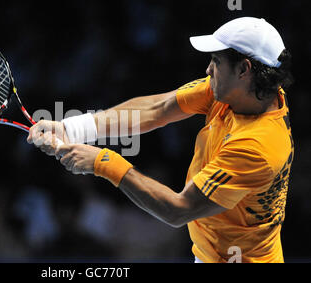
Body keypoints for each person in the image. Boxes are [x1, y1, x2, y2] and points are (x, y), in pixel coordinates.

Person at [27, 17, 294, 263]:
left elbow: (178, 210)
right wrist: (70, 128)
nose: (208, 68)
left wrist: (102, 162)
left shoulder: (256, 146)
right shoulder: (245, 92)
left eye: (216, 61)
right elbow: (158, 108)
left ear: (244, 69)